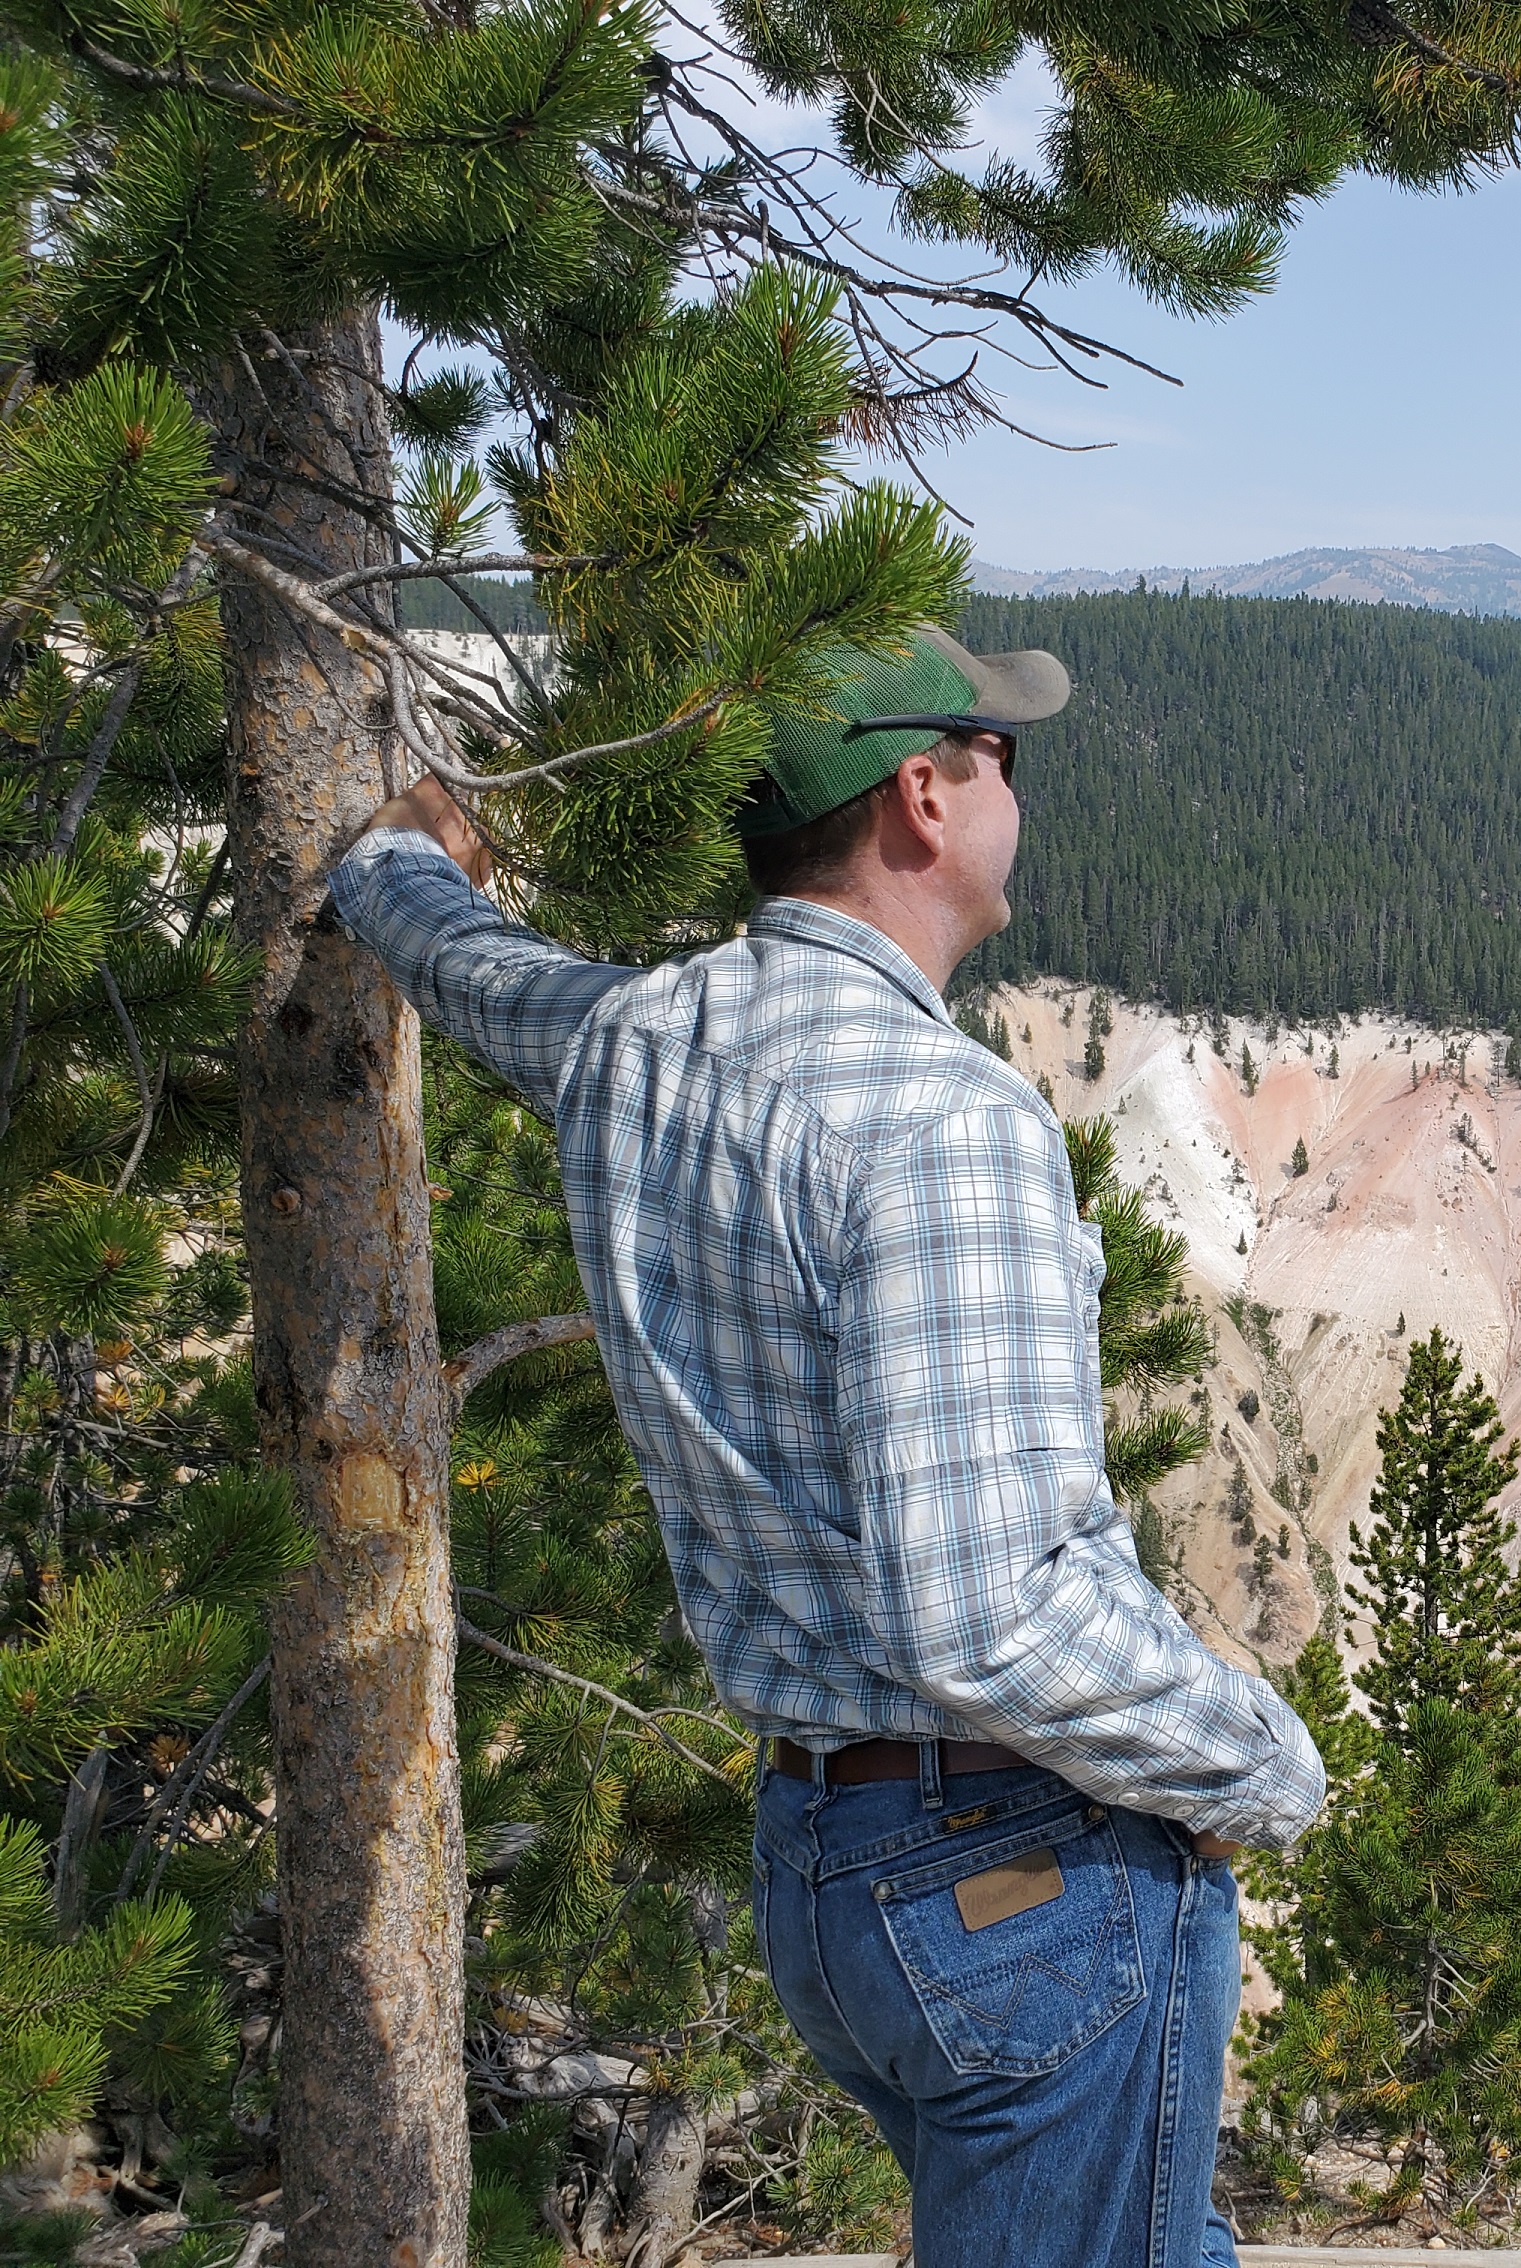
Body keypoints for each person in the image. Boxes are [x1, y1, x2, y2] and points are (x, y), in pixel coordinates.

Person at [330, 628, 1324, 2268]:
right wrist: (1261, 1768)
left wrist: (390, 864)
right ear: (922, 795)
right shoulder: (948, 1122)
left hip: (826, 1871)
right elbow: (987, 1615)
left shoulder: (639, 1042)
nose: (1015, 781)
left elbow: (469, 965)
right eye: (1000, 750)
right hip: (1021, 1868)